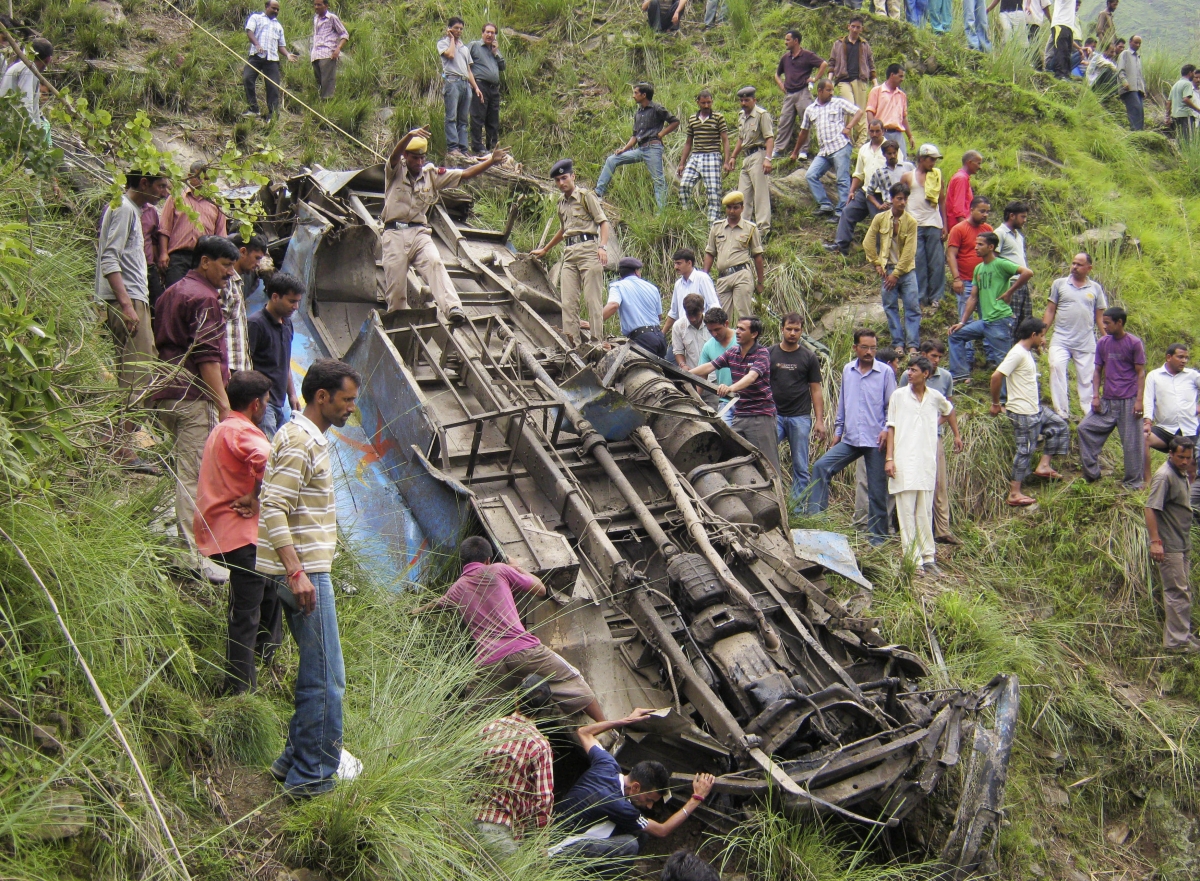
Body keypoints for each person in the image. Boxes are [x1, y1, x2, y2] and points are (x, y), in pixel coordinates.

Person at [258, 359, 359, 797]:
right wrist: (296, 571)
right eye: (347, 400)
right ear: (322, 397)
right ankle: (311, 779)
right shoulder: (302, 441)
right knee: (326, 679)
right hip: (305, 573)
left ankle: (291, 762)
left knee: (319, 673)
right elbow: (273, 507)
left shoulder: (298, 434)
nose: (351, 409)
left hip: (302, 569)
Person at [414, 536, 605, 721]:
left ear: (462, 561)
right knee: (574, 684)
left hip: (489, 663)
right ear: (488, 559)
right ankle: (606, 728)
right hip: (524, 650)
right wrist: (518, 568)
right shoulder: (498, 570)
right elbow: (540, 589)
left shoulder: (456, 589)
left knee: (471, 718)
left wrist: (414, 611)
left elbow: (437, 605)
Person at [152, 235, 239, 583]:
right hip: (192, 396)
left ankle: (176, 536)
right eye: (225, 265)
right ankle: (193, 554)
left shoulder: (171, 292)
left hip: (166, 392)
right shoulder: (205, 299)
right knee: (193, 476)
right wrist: (222, 403)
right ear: (205, 261)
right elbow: (207, 356)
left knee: (179, 469)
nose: (230, 274)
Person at [194, 369, 280, 694]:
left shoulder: (221, 428)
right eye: (267, 402)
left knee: (270, 585)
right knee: (245, 613)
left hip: (216, 529)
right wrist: (255, 497)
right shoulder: (247, 433)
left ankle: (268, 655)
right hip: (239, 534)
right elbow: (272, 462)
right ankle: (239, 691)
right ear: (257, 404)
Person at [555, 709, 715, 863]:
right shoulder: (619, 805)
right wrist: (696, 798)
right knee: (629, 845)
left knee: (640, 835)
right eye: (649, 799)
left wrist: (626, 720)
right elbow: (662, 830)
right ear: (636, 787)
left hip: (556, 830)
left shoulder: (607, 764)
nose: (650, 806)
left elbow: (584, 732)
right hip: (559, 850)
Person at [381, 127, 506, 321]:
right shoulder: (395, 170)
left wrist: (491, 162)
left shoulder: (431, 174)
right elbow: (394, 155)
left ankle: (453, 308)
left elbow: (464, 174)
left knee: (435, 263)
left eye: (422, 158)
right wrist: (408, 136)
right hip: (394, 235)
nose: (420, 162)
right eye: (415, 158)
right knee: (396, 291)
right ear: (407, 156)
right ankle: (398, 325)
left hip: (418, 233)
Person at [95, 170, 171, 473]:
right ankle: (120, 451)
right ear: (144, 184)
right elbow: (109, 259)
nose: (165, 193)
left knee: (141, 370)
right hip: (126, 300)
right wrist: (127, 306)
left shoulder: (131, 209)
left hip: (133, 298)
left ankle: (114, 442)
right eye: (161, 186)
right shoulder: (123, 208)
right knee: (138, 375)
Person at [807, 329, 895, 546]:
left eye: (873, 347)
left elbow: (892, 406)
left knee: (876, 491)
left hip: (876, 440)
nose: (869, 352)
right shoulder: (848, 370)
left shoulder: (885, 372)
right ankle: (817, 523)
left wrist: (886, 429)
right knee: (821, 467)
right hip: (851, 438)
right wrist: (838, 432)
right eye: (864, 347)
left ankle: (878, 539)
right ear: (855, 348)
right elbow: (844, 404)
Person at [886, 356, 961, 574]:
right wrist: (889, 458)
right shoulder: (898, 396)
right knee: (906, 512)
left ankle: (929, 557)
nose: (909, 373)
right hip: (903, 461)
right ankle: (913, 559)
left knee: (924, 512)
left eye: (914, 370)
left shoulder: (935, 397)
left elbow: (949, 410)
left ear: (925, 374)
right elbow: (890, 427)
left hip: (926, 461)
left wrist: (956, 435)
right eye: (908, 369)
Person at [472, 675, 555, 857]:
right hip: (502, 830)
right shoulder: (539, 746)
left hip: (469, 821)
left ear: (516, 697)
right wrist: (541, 847)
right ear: (544, 709)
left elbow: (467, 769)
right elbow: (544, 801)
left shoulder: (490, 727)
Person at [992, 318, 1069, 507]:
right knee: (1025, 450)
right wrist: (995, 403)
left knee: (1059, 426)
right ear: (1033, 335)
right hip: (1023, 412)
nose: (1043, 339)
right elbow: (996, 376)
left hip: (1035, 408)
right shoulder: (1017, 353)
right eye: (1041, 335)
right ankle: (1014, 493)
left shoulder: (1026, 353)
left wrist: (1039, 349)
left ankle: (1043, 465)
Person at [533, 159, 611, 344]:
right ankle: (573, 344)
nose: (561, 183)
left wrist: (602, 247)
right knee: (568, 303)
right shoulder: (561, 203)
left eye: (564, 178)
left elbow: (603, 222)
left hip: (589, 250)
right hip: (569, 253)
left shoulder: (586, 196)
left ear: (572, 176)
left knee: (592, 300)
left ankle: (596, 342)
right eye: (558, 180)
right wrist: (545, 249)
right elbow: (563, 230)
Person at [690, 317, 779, 474]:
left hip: (759, 416)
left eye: (742, 329)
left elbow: (751, 377)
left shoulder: (762, 353)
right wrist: (681, 373)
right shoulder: (732, 352)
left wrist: (730, 388)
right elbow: (709, 366)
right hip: (739, 414)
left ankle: (777, 497)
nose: (737, 332)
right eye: (737, 328)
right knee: (732, 458)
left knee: (767, 463)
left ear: (754, 334)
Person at [949, 233, 1033, 381]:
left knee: (1004, 362)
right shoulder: (979, 268)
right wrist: (962, 322)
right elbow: (973, 297)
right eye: (976, 244)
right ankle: (960, 374)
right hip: (985, 321)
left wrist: (1009, 292)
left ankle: (1004, 399)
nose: (976, 247)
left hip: (1000, 320)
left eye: (980, 244)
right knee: (955, 335)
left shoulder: (1001, 264)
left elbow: (1027, 272)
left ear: (991, 247)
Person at [1077, 307, 1145, 488]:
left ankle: (1133, 483)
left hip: (1129, 401)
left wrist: (1139, 401)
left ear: (1119, 322)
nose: (1104, 326)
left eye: (1107, 322)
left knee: (1132, 444)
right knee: (1084, 428)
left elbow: (1140, 373)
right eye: (1103, 322)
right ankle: (1092, 474)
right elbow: (1098, 370)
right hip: (1107, 401)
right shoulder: (1103, 343)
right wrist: (1095, 396)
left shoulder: (1134, 343)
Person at [1145, 438, 1200, 653]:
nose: (1185, 461)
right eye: (1181, 457)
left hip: (1182, 541)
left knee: (1183, 590)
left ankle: (1183, 635)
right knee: (1176, 592)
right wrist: (1155, 542)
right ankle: (1176, 642)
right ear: (1170, 453)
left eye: (1188, 458)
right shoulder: (1164, 476)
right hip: (1170, 545)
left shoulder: (1181, 472)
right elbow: (1150, 508)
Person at [901, 340, 959, 543]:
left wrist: (951, 432)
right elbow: (900, 405)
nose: (937, 360)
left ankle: (942, 530)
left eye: (939, 357)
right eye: (933, 356)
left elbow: (948, 409)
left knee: (938, 481)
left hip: (934, 436)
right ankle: (910, 530)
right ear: (924, 355)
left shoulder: (945, 377)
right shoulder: (907, 376)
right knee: (911, 481)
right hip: (909, 438)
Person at [595, 83, 679, 212]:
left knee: (658, 180)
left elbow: (675, 121)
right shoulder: (639, 113)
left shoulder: (656, 108)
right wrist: (624, 149)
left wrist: (661, 134)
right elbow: (635, 136)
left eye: (635, 93)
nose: (633, 96)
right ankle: (598, 193)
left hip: (653, 148)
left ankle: (662, 213)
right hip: (641, 149)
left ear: (643, 95)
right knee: (612, 159)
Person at [1044, 253, 1105, 419]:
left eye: (1079, 264)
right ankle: (1062, 413)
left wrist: (1107, 340)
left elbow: (1100, 318)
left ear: (1089, 268)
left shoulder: (1095, 289)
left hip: (1085, 341)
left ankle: (1089, 414)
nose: (1074, 267)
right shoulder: (1059, 284)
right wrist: (1042, 333)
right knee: (1056, 367)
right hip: (1061, 339)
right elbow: (1050, 310)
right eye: (1073, 263)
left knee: (1087, 379)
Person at [771, 313, 825, 501]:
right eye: (789, 329)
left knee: (801, 465)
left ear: (802, 331)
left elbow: (816, 390)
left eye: (797, 330)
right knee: (764, 456)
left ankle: (798, 509)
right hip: (774, 416)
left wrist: (819, 420)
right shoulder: (770, 353)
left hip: (800, 417)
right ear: (782, 329)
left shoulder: (809, 357)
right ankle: (771, 500)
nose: (793, 333)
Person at [792, 79, 863, 220]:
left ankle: (841, 212)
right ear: (820, 91)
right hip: (824, 151)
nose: (831, 93)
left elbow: (858, 112)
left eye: (832, 90)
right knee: (811, 175)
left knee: (842, 180)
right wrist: (795, 152)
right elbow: (804, 132)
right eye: (828, 90)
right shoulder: (810, 110)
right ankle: (825, 205)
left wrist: (849, 127)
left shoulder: (838, 103)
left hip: (840, 146)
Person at [863, 182, 920, 355]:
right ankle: (898, 344)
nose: (902, 202)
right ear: (892, 199)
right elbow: (868, 242)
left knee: (912, 307)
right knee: (891, 307)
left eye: (905, 199)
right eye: (899, 198)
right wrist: (876, 263)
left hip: (906, 271)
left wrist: (895, 274)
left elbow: (910, 251)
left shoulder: (910, 222)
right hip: (887, 269)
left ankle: (912, 345)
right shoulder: (880, 218)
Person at [249, 272, 303, 438]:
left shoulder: (287, 324)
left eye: (298, 302)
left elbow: (284, 363)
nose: (296, 307)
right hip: (263, 403)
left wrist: (292, 394)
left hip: (280, 403)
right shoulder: (255, 324)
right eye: (291, 301)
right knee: (266, 456)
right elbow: (244, 366)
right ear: (275, 297)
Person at [158, 162, 229, 288]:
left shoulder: (217, 203)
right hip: (178, 257)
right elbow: (164, 228)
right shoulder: (177, 197)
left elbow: (221, 237)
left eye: (208, 179)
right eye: (200, 177)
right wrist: (163, 253)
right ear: (190, 176)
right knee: (175, 293)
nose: (204, 182)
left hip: (204, 261)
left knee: (199, 296)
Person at [702, 192, 765, 322]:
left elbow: (758, 256)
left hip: (741, 274)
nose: (732, 211)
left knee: (744, 316)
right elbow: (710, 253)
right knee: (721, 318)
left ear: (742, 208)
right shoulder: (717, 227)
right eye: (729, 207)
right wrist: (704, 277)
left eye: (735, 207)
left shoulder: (750, 228)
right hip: (723, 277)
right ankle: (729, 343)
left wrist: (760, 282)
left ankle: (748, 342)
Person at [827, 120, 887, 255]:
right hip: (865, 191)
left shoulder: (890, 148)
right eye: (872, 131)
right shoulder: (864, 149)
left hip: (881, 194)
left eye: (878, 131)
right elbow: (859, 173)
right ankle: (841, 246)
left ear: (883, 131)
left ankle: (881, 256)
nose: (875, 134)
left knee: (879, 224)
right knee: (848, 212)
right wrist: (852, 191)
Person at [945, 196, 993, 367]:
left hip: (986, 283)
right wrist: (956, 278)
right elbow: (951, 254)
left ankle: (991, 356)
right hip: (965, 281)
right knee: (966, 320)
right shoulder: (959, 229)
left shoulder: (987, 230)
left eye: (987, 211)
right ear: (971, 210)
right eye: (982, 211)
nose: (985, 214)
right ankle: (967, 357)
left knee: (988, 317)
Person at [1143, 344, 1200, 484]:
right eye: (1180, 357)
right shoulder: (1154, 376)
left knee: (1190, 466)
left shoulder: (1192, 376)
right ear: (1169, 357)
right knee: (1143, 438)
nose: (1184, 361)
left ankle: (1190, 494)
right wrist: (1147, 422)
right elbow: (1148, 400)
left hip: (1189, 429)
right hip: (1165, 429)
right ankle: (1148, 480)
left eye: (1186, 358)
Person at [902, 144, 948, 309]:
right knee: (918, 262)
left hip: (933, 222)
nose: (933, 163)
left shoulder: (936, 176)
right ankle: (921, 296)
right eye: (931, 159)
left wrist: (944, 225)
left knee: (936, 262)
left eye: (935, 159)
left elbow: (942, 201)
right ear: (921, 158)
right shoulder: (908, 177)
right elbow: (902, 199)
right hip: (914, 224)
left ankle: (937, 296)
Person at [726, 86, 775, 237]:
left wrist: (767, 158)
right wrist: (733, 156)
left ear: (754, 100)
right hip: (746, 158)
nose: (744, 103)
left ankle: (763, 230)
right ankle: (743, 228)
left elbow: (769, 137)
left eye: (747, 100)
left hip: (759, 155)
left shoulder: (761, 115)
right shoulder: (741, 115)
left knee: (760, 194)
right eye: (741, 100)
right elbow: (741, 138)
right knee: (743, 195)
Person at [773, 30, 828, 161]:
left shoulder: (807, 55)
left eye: (788, 40)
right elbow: (777, 74)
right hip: (789, 94)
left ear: (796, 41)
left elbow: (823, 64)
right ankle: (779, 149)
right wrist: (781, 85)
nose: (785, 42)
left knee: (806, 121)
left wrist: (815, 79)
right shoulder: (785, 58)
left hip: (803, 92)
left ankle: (804, 150)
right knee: (784, 122)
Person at [677, 90, 730, 222]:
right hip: (696, 156)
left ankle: (713, 222)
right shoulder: (693, 119)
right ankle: (688, 216)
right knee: (684, 186)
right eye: (703, 103)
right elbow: (688, 142)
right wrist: (682, 163)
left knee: (713, 191)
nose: (706, 105)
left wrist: (726, 161)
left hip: (712, 156)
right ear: (698, 103)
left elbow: (725, 140)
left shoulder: (718, 117)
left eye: (709, 102)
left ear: (712, 102)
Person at [602, 257, 668, 358]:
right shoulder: (652, 288)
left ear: (621, 274)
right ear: (637, 272)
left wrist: (594, 322)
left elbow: (613, 305)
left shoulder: (618, 286)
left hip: (642, 339)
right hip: (660, 338)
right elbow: (659, 316)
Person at [437, 17, 484, 158]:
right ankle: (453, 147)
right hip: (452, 82)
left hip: (465, 84)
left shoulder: (464, 48)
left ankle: (463, 149)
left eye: (461, 29)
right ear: (450, 28)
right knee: (451, 116)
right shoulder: (443, 43)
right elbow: (450, 55)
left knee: (463, 119)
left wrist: (475, 87)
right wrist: (451, 39)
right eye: (456, 28)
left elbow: (468, 70)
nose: (459, 31)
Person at [243, 0, 297, 118]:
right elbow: (249, 31)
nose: (276, 11)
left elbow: (281, 46)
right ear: (266, 7)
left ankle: (272, 115)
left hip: (272, 60)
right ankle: (253, 109)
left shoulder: (278, 26)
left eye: (278, 9)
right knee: (247, 78)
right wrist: (257, 45)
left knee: (273, 87)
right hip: (256, 57)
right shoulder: (256, 18)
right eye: (274, 8)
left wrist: (287, 54)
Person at [222, 234, 267, 373]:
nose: (258, 264)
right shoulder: (224, 283)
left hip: (237, 367)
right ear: (242, 252)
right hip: (227, 366)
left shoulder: (237, 282)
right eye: (257, 258)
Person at [828, 17, 875, 148]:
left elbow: (871, 64)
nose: (855, 29)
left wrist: (875, 84)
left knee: (861, 111)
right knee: (849, 107)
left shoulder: (864, 45)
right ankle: (849, 139)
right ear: (848, 26)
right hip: (843, 80)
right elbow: (832, 62)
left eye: (858, 27)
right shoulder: (838, 43)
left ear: (862, 29)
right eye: (853, 26)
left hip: (860, 79)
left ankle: (861, 142)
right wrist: (830, 81)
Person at [995, 201, 1033, 343]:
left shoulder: (1018, 236)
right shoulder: (1000, 233)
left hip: (1022, 282)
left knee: (1024, 321)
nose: (1025, 220)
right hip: (1010, 283)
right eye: (1022, 217)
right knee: (1011, 320)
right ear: (1012, 215)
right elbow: (994, 260)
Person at [662, 248, 719, 338]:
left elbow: (714, 305)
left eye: (679, 263)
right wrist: (662, 334)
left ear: (689, 263)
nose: (675, 267)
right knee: (671, 352)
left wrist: (713, 330)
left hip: (702, 331)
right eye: (675, 263)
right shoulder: (678, 284)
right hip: (683, 332)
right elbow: (674, 312)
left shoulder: (702, 278)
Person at [0, 37, 51, 135]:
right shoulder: (29, 69)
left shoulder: (20, 66)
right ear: (48, 60)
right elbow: (25, 105)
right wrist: (32, 136)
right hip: (13, 130)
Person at [468, 24, 505, 155]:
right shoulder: (474, 46)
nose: (490, 35)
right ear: (482, 33)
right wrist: (473, 85)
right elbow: (464, 61)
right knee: (477, 117)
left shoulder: (494, 49)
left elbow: (503, 66)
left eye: (493, 33)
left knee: (493, 119)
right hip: (480, 85)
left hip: (494, 89)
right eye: (487, 32)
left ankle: (492, 147)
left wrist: (496, 53)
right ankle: (477, 146)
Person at [864, 64, 914, 161]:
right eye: (900, 76)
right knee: (880, 160)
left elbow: (904, 117)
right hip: (882, 133)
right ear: (892, 75)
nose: (902, 79)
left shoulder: (902, 95)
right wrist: (874, 131)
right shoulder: (877, 91)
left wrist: (910, 136)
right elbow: (870, 112)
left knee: (901, 162)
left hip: (898, 134)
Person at [699, 307, 738, 419]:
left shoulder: (741, 340)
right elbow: (702, 374)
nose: (714, 334)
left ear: (726, 324)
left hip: (745, 399)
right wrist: (695, 398)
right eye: (710, 331)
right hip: (725, 400)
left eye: (717, 329)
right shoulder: (708, 346)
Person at [862, 139, 913, 217]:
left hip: (908, 207)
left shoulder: (908, 167)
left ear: (897, 152)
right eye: (889, 153)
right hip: (890, 209)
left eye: (894, 153)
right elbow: (869, 193)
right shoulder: (879, 172)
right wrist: (878, 205)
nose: (892, 156)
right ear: (884, 154)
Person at [309, 0, 348, 99]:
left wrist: (338, 49)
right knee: (320, 81)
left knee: (328, 81)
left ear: (326, 6)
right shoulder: (315, 19)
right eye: (315, 5)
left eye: (319, 5)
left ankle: (327, 102)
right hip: (316, 54)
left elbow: (344, 34)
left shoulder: (332, 18)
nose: (316, 7)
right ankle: (322, 104)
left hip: (327, 53)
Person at [944, 151, 982, 233]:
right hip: (959, 227)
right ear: (970, 162)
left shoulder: (962, 177)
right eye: (978, 163)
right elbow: (959, 209)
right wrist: (966, 230)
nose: (980, 167)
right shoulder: (961, 178)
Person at [672, 294, 712, 370]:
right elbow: (678, 351)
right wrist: (683, 365)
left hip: (714, 374)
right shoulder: (678, 326)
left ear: (702, 310)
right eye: (689, 315)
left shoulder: (712, 323)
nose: (693, 319)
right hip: (693, 373)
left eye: (696, 315)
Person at [1116, 35, 1146, 131]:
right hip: (1129, 88)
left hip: (1138, 89)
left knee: (1140, 111)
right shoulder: (1125, 54)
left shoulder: (1138, 57)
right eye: (1135, 42)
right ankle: (1135, 131)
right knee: (1134, 109)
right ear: (1130, 42)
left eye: (1139, 43)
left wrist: (1143, 89)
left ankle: (1140, 132)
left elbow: (1139, 75)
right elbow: (1120, 69)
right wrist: (1124, 81)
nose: (1138, 45)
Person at [1168, 65, 1199, 141]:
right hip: (1186, 115)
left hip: (1176, 116)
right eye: (1194, 73)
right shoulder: (1188, 84)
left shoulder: (1176, 84)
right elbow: (1186, 99)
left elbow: (1168, 102)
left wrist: (1167, 116)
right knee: (1189, 140)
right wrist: (1198, 110)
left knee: (1180, 139)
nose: (1194, 76)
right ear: (1190, 72)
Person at [1049, 0, 1077, 79]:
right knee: (1061, 50)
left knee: (1067, 52)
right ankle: (1060, 75)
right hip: (1060, 23)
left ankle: (1066, 75)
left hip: (1069, 25)